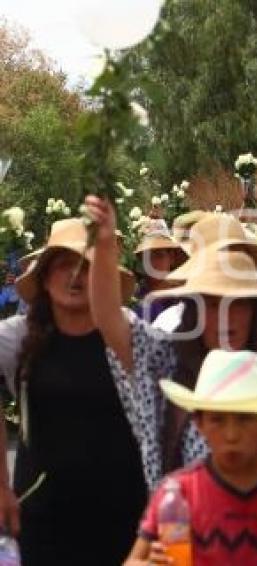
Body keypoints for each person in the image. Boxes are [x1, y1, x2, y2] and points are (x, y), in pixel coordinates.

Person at [85, 198, 257, 492]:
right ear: (195, 308)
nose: (225, 318)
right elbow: (109, 320)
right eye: (213, 304)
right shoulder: (168, 358)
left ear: (256, 307)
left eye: (238, 303)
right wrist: (103, 248)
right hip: (186, 533)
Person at [0, 218, 147, 565]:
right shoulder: (18, 336)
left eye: (86, 266)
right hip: (41, 510)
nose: (74, 276)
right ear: (44, 275)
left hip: (123, 506)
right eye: (64, 264)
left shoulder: (130, 331)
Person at [124, 349, 257, 566]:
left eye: (245, 419)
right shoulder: (178, 493)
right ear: (199, 423)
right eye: (217, 420)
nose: (232, 435)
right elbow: (133, 560)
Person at [132, 229, 188, 323]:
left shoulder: (185, 291)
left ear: (171, 258)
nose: (152, 262)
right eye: (147, 257)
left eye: (159, 256)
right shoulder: (135, 292)